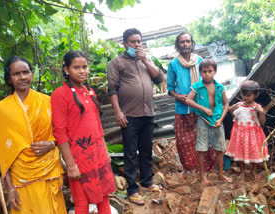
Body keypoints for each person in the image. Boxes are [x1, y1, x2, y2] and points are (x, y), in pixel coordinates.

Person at [0, 56, 66, 213]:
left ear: (32, 74)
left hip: (49, 168)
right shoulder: (2, 109)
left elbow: (62, 132)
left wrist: (52, 143)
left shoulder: (47, 101)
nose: (22, 77)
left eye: (25, 72)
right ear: (9, 78)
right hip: (21, 175)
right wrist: (10, 188)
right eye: (16, 74)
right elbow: (4, 152)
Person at [51, 51, 116, 214]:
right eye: (76, 67)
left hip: (98, 153)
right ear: (66, 69)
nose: (82, 71)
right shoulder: (60, 94)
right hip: (79, 158)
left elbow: (97, 124)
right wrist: (71, 165)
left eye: (85, 67)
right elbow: (59, 132)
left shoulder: (90, 92)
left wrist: (105, 150)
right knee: (82, 203)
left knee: (104, 199)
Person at [107, 28, 164, 205]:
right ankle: (132, 189)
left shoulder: (145, 60)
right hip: (129, 115)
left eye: (139, 41)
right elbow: (113, 89)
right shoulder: (116, 63)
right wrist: (118, 112)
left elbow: (158, 78)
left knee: (146, 150)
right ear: (125, 44)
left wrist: (145, 60)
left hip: (148, 113)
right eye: (133, 42)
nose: (137, 44)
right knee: (130, 153)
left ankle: (146, 181)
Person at [167, 32, 216, 173]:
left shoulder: (200, 60)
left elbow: (208, 80)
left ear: (192, 43)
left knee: (203, 137)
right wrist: (177, 96)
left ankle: (207, 168)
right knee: (183, 141)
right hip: (182, 108)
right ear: (178, 45)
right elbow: (170, 87)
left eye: (188, 41)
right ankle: (190, 168)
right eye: (182, 42)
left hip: (200, 107)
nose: (185, 44)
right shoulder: (173, 64)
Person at [185, 59, 232, 185]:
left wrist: (221, 119)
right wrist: (203, 108)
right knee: (202, 148)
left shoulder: (219, 87)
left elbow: (226, 104)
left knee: (220, 148)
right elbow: (188, 100)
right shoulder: (197, 87)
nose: (207, 74)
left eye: (210, 71)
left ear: (215, 72)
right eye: (204, 71)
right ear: (200, 73)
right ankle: (202, 177)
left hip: (217, 121)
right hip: (203, 120)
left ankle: (221, 174)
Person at [226, 80, 269, 181]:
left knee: (254, 152)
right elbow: (234, 117)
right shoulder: (239, 105)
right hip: (240, 133)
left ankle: (253, 171)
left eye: (248, 95)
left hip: (253, 134)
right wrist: (231, 109)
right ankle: (242, 172)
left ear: (256, 95)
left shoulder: (257, 107)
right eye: (243, 94)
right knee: (240, 152)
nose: (245, 97)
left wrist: (261, 113)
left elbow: (262, 122)